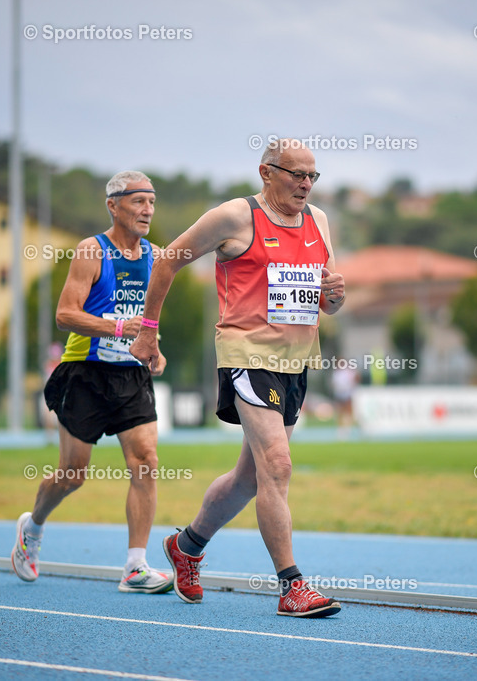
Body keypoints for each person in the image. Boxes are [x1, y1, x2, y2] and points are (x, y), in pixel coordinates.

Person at [130, 139, 346, 617]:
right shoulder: (234, 216)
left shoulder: (319, 221)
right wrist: (148, 333)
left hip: (296, 360)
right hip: (246, 353)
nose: (305, 184)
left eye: (313, 176)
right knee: (278, 465)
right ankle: (292, 587)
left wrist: (335, 294)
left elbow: (327, 300)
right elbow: (167, 259)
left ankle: (186, 546)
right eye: (296, 174)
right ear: (267, 173)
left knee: (249, 478)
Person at [12, 170, 173, 594]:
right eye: (139, 201)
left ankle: (135, 566)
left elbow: (148, 317)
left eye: (152, 202)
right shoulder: (91, 250)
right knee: (72, 473)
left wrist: (153, 347)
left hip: (131, 375)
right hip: (85, 372)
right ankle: (33, 527)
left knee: (146, 460)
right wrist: (119, 328)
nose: (147, 210)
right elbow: (65, 315)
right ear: (113, 205)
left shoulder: (156, 257)